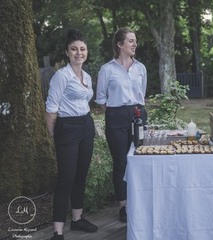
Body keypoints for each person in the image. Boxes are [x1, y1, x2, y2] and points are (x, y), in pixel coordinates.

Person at [45, 29, 98, 240]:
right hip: (66, 128)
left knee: (80, 177)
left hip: (86, 125)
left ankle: (77, 220)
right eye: (74, 49)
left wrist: (89, 125)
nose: (79, 53)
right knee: (65, 180)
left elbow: (85, 102)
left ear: (86, 52)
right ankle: (57, 232)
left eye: (82, 49)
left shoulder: (87, 76)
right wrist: (52, 136)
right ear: (67, 52)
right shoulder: (61, 76)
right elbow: (51, 109)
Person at [95, 27, 147, 223]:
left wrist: (135, 111)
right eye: (131, 41)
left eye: (135, 40)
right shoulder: (107, 70)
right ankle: (124, 206)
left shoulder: (140, 68)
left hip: (139, 114)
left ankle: (139, 201)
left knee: (139, 158)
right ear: (120, 44)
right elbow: (101, 99)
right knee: (121, 162)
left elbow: (142, 93)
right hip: (115, 116)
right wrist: (117, 113)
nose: (135, 44)